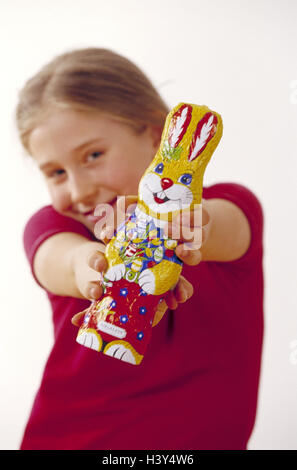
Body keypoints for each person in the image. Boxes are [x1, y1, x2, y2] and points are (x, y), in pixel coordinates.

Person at [16, 48, 264, 450]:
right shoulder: (56, 226)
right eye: (56, 172)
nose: (79, 190)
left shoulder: (232, 208)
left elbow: (223, 227)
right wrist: (94, 267)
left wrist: (188, 227)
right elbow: (60, 260)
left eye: (93, 156)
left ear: (155, 136)